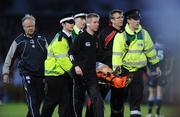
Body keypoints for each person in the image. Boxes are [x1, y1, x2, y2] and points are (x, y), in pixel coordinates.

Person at [112, 9, 161, 117]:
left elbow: (151, 52)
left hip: (138, 72)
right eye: (134, 19)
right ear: (128, 20)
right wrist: (116, 72)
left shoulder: (144, 34)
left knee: (136, 102)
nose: (137, 21)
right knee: (119, 101)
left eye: (138, 18)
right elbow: (116, 56)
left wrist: (156, 66)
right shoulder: (121, 36)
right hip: (124, 72)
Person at [2, 14, 47, 117]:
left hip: (41, 75)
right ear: (23, 27)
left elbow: (49, 58)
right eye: (27, 26)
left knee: (38, 101)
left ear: (35, 26)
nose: (30, 28)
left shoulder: (42, 40)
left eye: (32, 26)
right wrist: (5, 73)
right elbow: (9, 57)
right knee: (32, 100)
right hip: (27, 75)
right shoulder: (18, 41)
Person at [86, 9, 124, 117]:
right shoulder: (106, 33)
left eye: (122, 17)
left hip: (118, 73)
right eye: (118, 17)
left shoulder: (123, 33)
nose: (121, 19)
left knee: (118, 104)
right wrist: (100, 68)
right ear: (112, 20)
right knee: (96, 101)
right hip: (104, 73)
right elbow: (96, 51)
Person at [71, 13, 104, 117]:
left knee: (98, 102)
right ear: (88, 24)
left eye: (98, 22)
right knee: (78, 104)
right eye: (95, 22)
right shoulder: (81, 37)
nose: (97, 24)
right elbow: (71, 52)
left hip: (91, 77)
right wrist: (76, 66)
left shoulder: (96, 39)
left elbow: (99, 57)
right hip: (79, 77)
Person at [41, 16, 75, 117]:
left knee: (64, 103)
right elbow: (63, 60)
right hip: (55, 75)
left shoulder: (69, 38)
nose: (72, 24)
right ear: (63, 24)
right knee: (52, 102)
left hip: (62, 75)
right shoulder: (60, 39)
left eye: (73, 21)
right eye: (69, 22)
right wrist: (74, 72)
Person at [146, 42, 173, 117]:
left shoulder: (151, 47)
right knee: (159, 93)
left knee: (151, 93)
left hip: (152, 72)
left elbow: (146, 59)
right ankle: (158, 113)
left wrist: (147, 70)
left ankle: (149, 113)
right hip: (162, 72)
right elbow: (170, 59)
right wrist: (169, 69)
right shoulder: (165, 48)